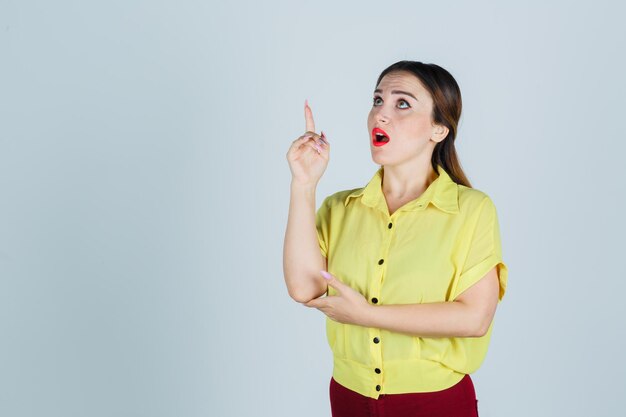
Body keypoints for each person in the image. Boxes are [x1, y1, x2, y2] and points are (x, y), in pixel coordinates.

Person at [283, 60, 508, 417]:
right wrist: (304, 184)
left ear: (439, 129)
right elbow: (304, 288)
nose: (380, 116)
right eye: (377, 101)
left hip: (435, 401)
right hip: (349, 397)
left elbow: (474, 319)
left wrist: (369, 315)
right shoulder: (340, 207)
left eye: (402, 104)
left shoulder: (472, 210)